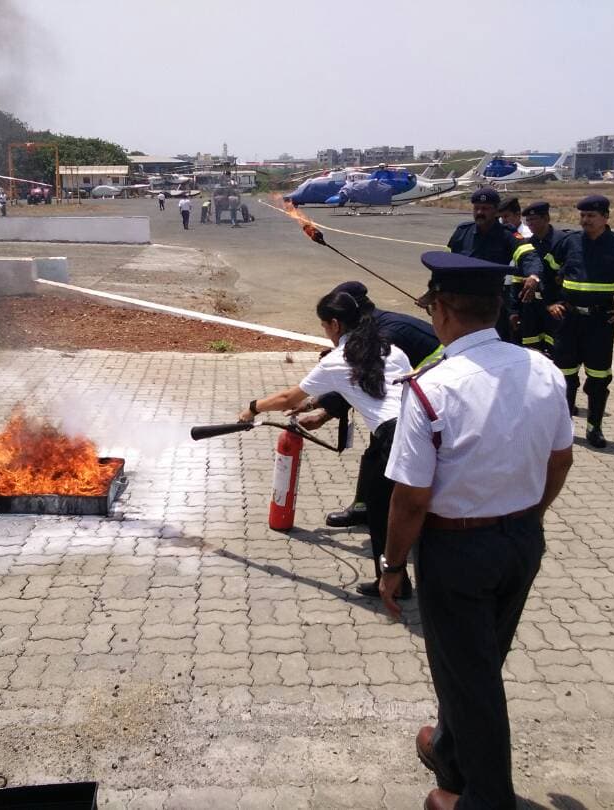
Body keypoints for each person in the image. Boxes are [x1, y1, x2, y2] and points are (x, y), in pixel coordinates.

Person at [380, 252, 573, 810]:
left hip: (457, 549)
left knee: (475, 679)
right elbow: (560, 461)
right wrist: (528, 519)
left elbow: (410, 498)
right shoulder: (542, 368)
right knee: (474, 662)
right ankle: (450, 751)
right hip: (521, 540)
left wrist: (392, 567)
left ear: (439, 311)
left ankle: (486, 800)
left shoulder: (430, 388)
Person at [236, 291, 413, 598]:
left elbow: (286, 399)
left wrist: (252, 408)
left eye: (323, 326)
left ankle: (395, 585)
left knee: (383, 516)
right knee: (412, 507)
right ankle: (406, 581)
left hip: (392, 437)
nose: (325, 332)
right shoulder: (392, 350)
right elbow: (371, 391)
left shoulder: (337, 359)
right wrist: (320, 410)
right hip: (419, 431)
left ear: (334, 324)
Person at [303, 281, 441, 530]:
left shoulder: (385, 335)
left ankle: (402, 519)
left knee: (398, 459)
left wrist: (324, 412)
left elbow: (364, 382)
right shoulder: (372, 328)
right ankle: (365, 508)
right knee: (376, 453)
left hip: (433, 385)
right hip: (411, 389)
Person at [542, 194, 614, 448]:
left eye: (591, 216)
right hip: (568, 318)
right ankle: (564, 427)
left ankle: (594, 427)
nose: (585, 220)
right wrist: (550, 302)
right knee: (565, 375)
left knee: (599, 378)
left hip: (601, 321)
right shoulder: (569, 241)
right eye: (583, 215)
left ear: (605, 217)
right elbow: (547, 269)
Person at [446, 188, 544, 343]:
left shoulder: (507, 234)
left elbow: (528, 255)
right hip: (462, 303)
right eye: (476, 208)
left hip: (492, 305)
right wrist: (434, 291)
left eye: (485, 208)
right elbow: (446, 265)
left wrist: (533, 276)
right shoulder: (462, 232)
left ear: (496, 211)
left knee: (497, 345)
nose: (479, 212)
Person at [520, 200, 570, 355]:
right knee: (532, 349)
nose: (530, 224)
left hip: (556, 306)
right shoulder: (528, 244)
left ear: (546, 218)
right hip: (533, 307)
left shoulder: (563, 241)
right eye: (528, 220)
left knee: (557, 349)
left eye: (534, 219)